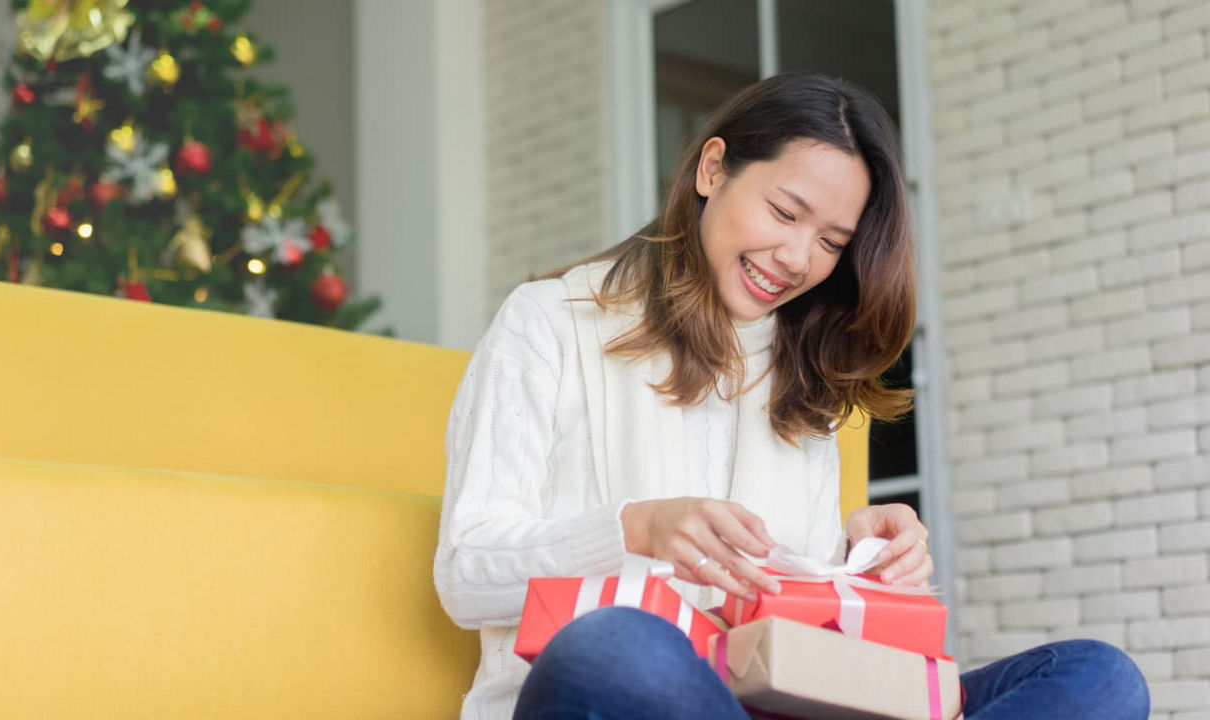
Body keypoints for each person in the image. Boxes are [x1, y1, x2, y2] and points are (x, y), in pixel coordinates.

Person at [433, 72, 1149, 720]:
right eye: (784, 212)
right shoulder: (549, 321)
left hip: (769, 704)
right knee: (621, 648)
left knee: (1099, 678)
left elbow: (794, 630)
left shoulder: (801, 377)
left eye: (832, 241)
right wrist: (636, 529)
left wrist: (858, 563)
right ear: (713, 169)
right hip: (609, 690)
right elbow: (465, 575)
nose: (798, 259)